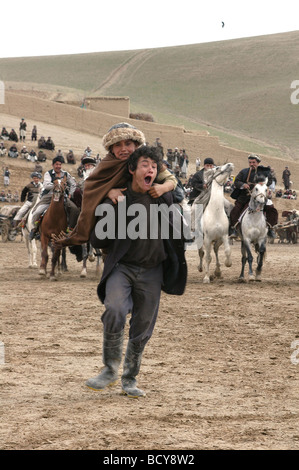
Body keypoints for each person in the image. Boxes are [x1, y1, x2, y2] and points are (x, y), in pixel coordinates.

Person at [84, 145, 187, 397]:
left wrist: (166, 186)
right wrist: (110, 203)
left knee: (142, 326)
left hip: (153, 271)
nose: (150, 169)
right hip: (123, 268)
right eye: (144, 165)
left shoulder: (162, 195)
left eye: (154, 166)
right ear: (132, 170)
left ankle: (129, 378)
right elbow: (98, 240)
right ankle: (109, 369)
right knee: (115, 309)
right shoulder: (118, 197)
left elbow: (180, 191)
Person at [53, 122, 177, 248]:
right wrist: (107, 192)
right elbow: (90, 186)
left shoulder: (147, 159)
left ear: (136, 145)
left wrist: (163, 188)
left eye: (128, 144)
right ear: (111, 148)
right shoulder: (106, 165)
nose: (123, 149)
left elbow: (171, 179)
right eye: (118, 145)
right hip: (119, 205)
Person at [29, 156, 80, 239]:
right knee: (37, 212)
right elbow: (46, 185)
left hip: (63, 197)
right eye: (56, 164)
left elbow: (73, 184)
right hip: (49, 196)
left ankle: (70, 229)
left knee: (75, 210)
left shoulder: (66, 174)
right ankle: (35, 229)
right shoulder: (48, 174)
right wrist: (58, 185)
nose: (58, 166)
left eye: (60, 164)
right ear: (53, 165)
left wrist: (70, 193)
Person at [230, 154, 278, 238]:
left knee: (272, 209)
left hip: (260, 197)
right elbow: (236, 181)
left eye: (254, 162)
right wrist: (243, 184)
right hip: (245, 197)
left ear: (258, 163)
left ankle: (270, 228)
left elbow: (270, 180)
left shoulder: (264, 172)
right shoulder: (244, 172)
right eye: (250, 162)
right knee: (235, 210)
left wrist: (263, 184)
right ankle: (235, 229)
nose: (252, 164)